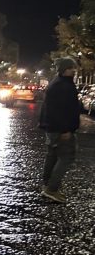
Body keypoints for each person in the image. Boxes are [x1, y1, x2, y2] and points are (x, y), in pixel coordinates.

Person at [38, 57, 80, 203]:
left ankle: (47, 186)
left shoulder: (58, 83)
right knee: (66, 157)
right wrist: (65, 130)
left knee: (53, 156)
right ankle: (52, 188)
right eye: (71, 68)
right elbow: (61, 110)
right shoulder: (63, 86)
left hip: (54, 127)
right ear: (64, 69)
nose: (74, 70)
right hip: (61, 129)